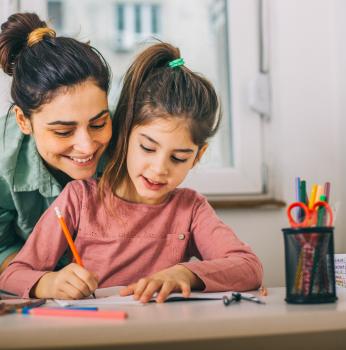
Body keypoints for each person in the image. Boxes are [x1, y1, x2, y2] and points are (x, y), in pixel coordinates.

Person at [0, 42, 263, 303]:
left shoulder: (191, 209)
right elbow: (12, 273)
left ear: (197, 156)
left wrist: (185, 273)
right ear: (125, 135)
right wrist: (49, 282)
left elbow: (249, 267)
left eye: (179, 157)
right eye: (148, 148)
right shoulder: (79, 199)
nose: (160, 169)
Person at [0, 13, 112, 273]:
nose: (86, 146)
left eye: (98, 124)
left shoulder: (134, 141)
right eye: (63, 131)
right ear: (23, 120)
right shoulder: (3, 159)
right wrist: (41, 280)